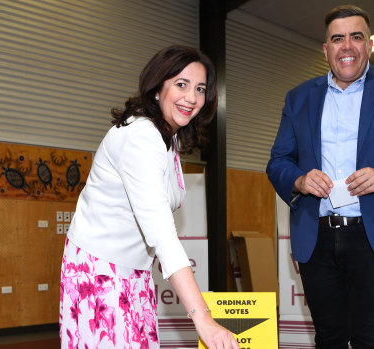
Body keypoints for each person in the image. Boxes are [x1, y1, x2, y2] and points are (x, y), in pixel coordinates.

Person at [266, 5, 374, 349]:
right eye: (337, 38)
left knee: (369, 338)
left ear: (370, 45)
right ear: (326, 49)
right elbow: (278, 161)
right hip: (316, 238)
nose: (346, 46)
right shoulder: (299, 97)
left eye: (356, 37)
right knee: (329, 338)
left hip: (373, 237)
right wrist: (300, 181)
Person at [60, 45, 239, 349]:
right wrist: (203, 318)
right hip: (101, 269)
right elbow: (162, 232)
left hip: (134, 269)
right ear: (158, 88)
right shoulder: (141, 136)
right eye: (181, 85)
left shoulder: (166, 137)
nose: (191, 98)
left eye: (199, 89)